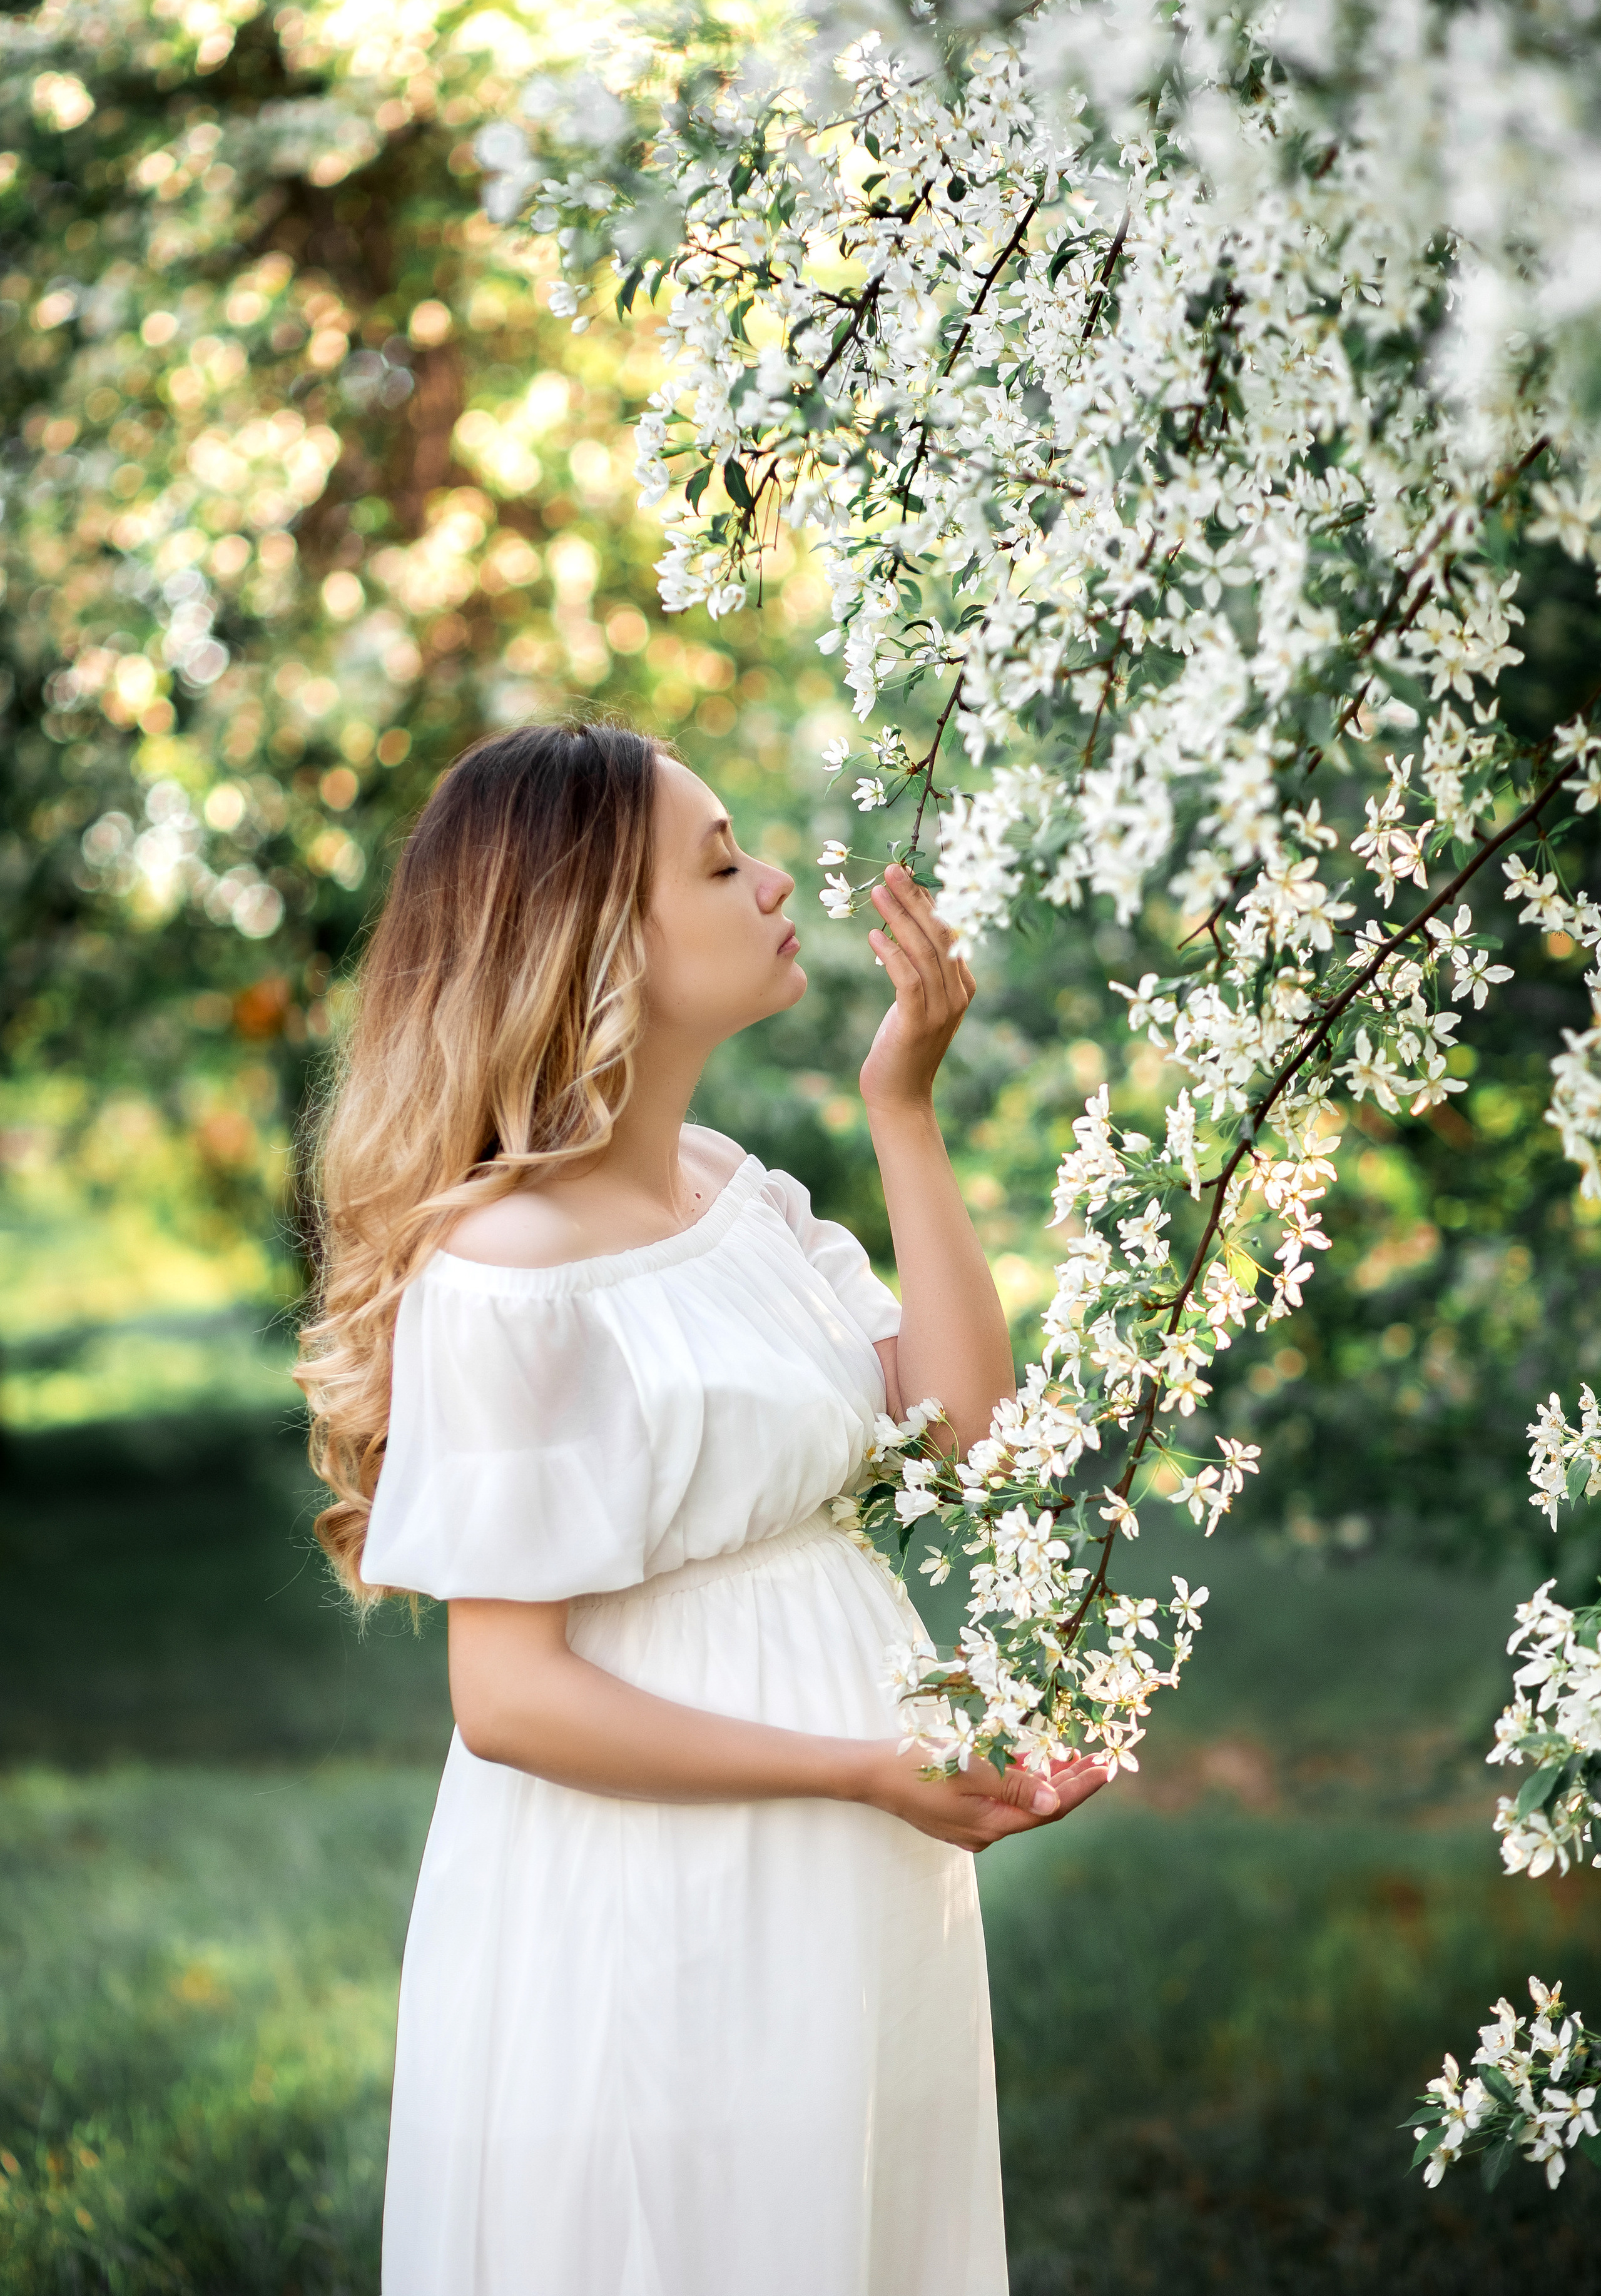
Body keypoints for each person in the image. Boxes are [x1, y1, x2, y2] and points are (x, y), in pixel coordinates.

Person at [297, 720, 1106, 2296]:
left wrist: (904, 1111)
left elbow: (964, 1428)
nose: (776, 882)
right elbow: (506, 1697)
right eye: (721, 865)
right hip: (665, 1875)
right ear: (594, 940)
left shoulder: (732, 1194)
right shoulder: (509, 1276)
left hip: (850, 1853)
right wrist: (853, 1770)